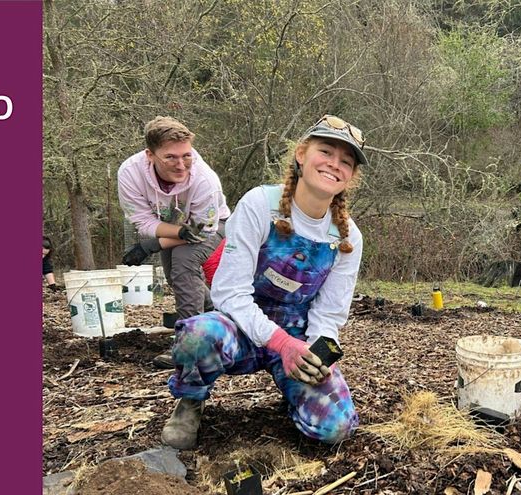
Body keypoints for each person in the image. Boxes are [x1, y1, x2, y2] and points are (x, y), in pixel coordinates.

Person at [159, 115, 367, 449]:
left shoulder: (347, 237)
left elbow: (329, 314)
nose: (334, 164)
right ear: (302, 153)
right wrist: (279, 342)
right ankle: (191, 400)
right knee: (199, 334)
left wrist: (316, 357)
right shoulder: (260, 205)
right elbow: (229, 291)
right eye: (325, 151)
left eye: (345, 161)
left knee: (336, 428)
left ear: (351, 176)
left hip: (298, 339)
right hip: (240, 326)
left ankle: (295, 395)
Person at [118, 117, 230, 368]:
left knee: (183, 265)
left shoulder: (205, 181)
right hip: (172, 227)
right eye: (170, 157)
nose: (181, 165)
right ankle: (223, 320)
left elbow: (202, 231)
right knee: (175, 276)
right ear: (150, 154)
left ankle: (192, 347)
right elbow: (142, 221)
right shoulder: (130, 173)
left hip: (212, 225)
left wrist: (152, 246)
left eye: (186, 156)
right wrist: (168, 236)